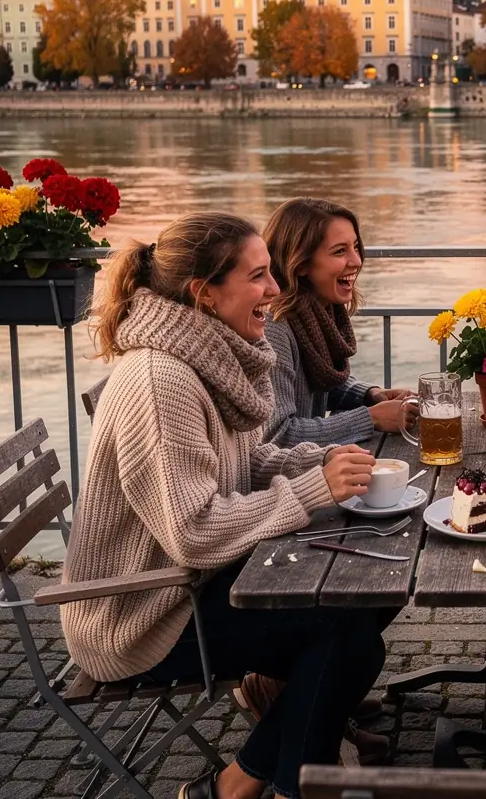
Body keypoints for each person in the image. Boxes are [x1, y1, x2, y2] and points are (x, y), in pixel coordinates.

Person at [60, 213, 391, 799]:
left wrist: (323, 460)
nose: (275, 290)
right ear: (205, 293)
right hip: (140, 616)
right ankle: (274, 784)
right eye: (258, 276)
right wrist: (314, 490)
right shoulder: (162, 381)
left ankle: (246, 779)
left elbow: (246, 460)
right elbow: (194, 531)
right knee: (346, 629)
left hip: (191, 585)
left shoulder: (207, 354)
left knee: (363, 597)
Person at [262, 197, 413, 449]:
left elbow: (320, 385)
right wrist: (371, 418)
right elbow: (279, 436)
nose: (356, 261)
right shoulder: (274, 327)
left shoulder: (317, 311)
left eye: (356, 247)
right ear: (300, 263)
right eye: (340, 251)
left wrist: (371, 395)